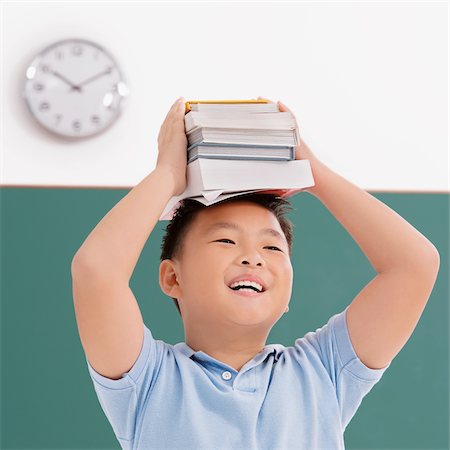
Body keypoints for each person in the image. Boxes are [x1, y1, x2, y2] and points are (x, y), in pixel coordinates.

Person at [71, 97, 440, 450]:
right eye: (226, 241)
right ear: (172, 278)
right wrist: (167, 174)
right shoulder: (148, 381)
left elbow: (414, 265)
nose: (253, 258)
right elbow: (96, 270)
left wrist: (314, 173)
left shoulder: (323, 373)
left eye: (272, 247)